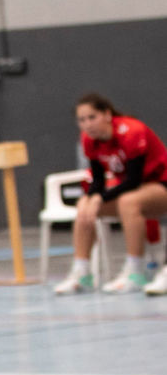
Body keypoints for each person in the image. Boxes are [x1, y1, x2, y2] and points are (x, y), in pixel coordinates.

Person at [53, 93, 167, 295]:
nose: (87, 124)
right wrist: (91, 199)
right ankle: (82, 273)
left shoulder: (131, 131)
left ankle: (135, 272)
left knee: (127, 201)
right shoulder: (89, 140)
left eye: (92, 117)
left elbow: (134, 180)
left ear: (107, 114)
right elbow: (97, 180)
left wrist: (100, 198)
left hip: (159, 185)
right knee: (84, 205)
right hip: (134, 190)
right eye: (82, 120)